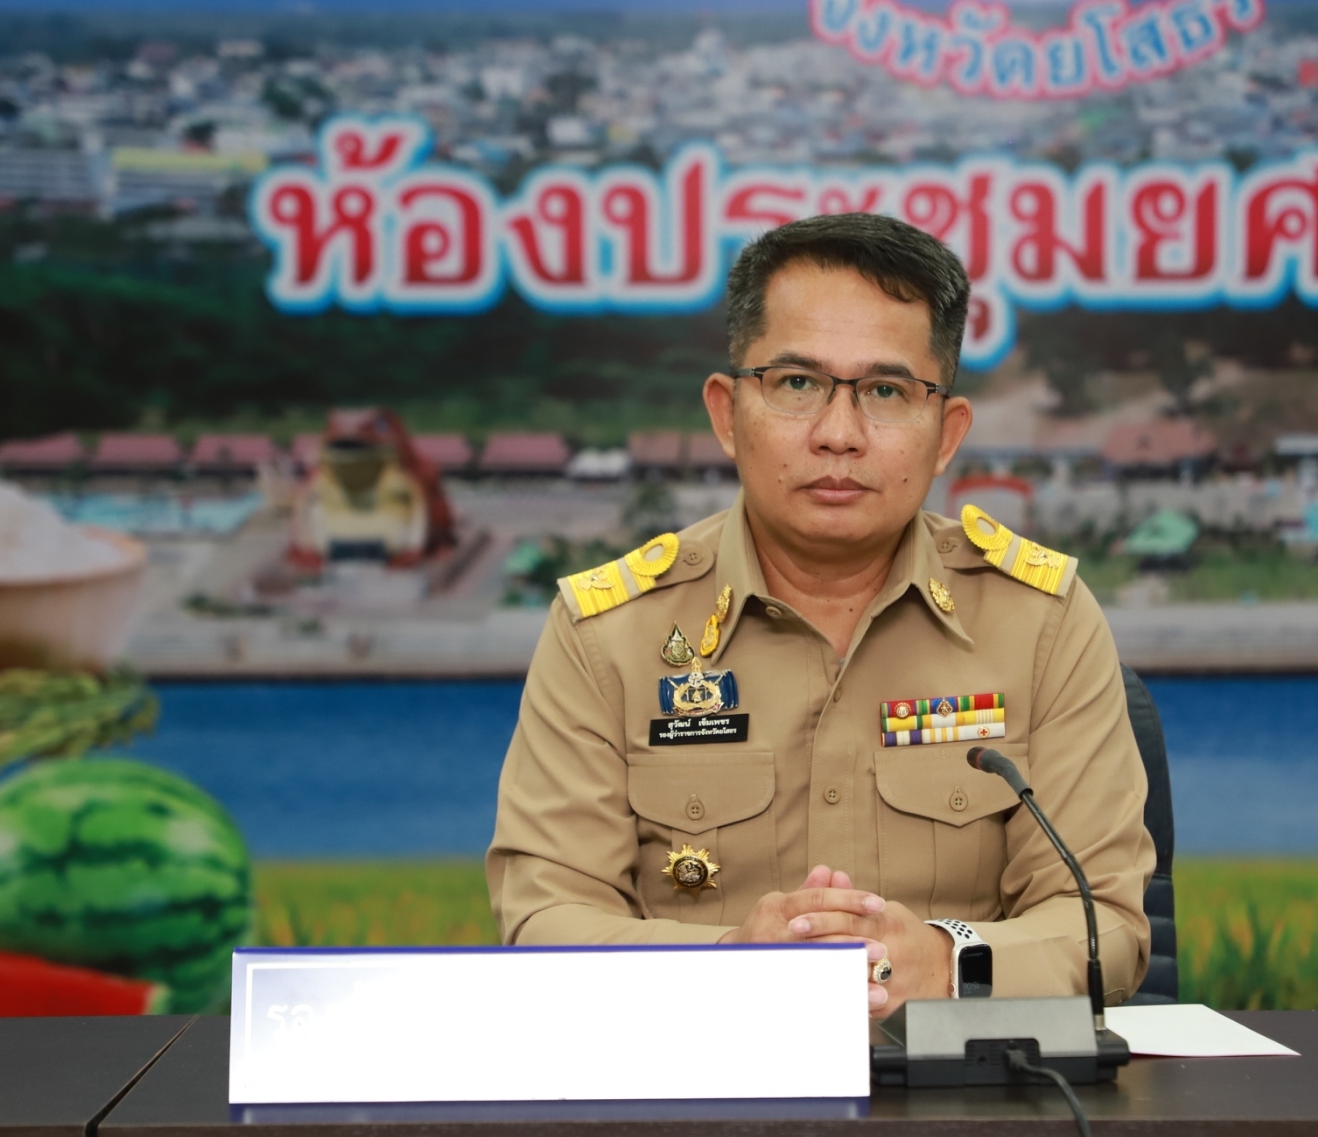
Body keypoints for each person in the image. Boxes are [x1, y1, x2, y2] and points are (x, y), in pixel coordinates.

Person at [488, 213, 1155, 1014]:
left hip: (967, 1084)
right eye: (798, 384)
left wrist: (948, 964)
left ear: (946, 434)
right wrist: (729, 964)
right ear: (727, 413)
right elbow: (545, 920)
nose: (839, 434)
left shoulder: (1041, 623)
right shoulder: (608, 635)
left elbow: (1105, 924)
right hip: (704, 1076)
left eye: (886, 391)